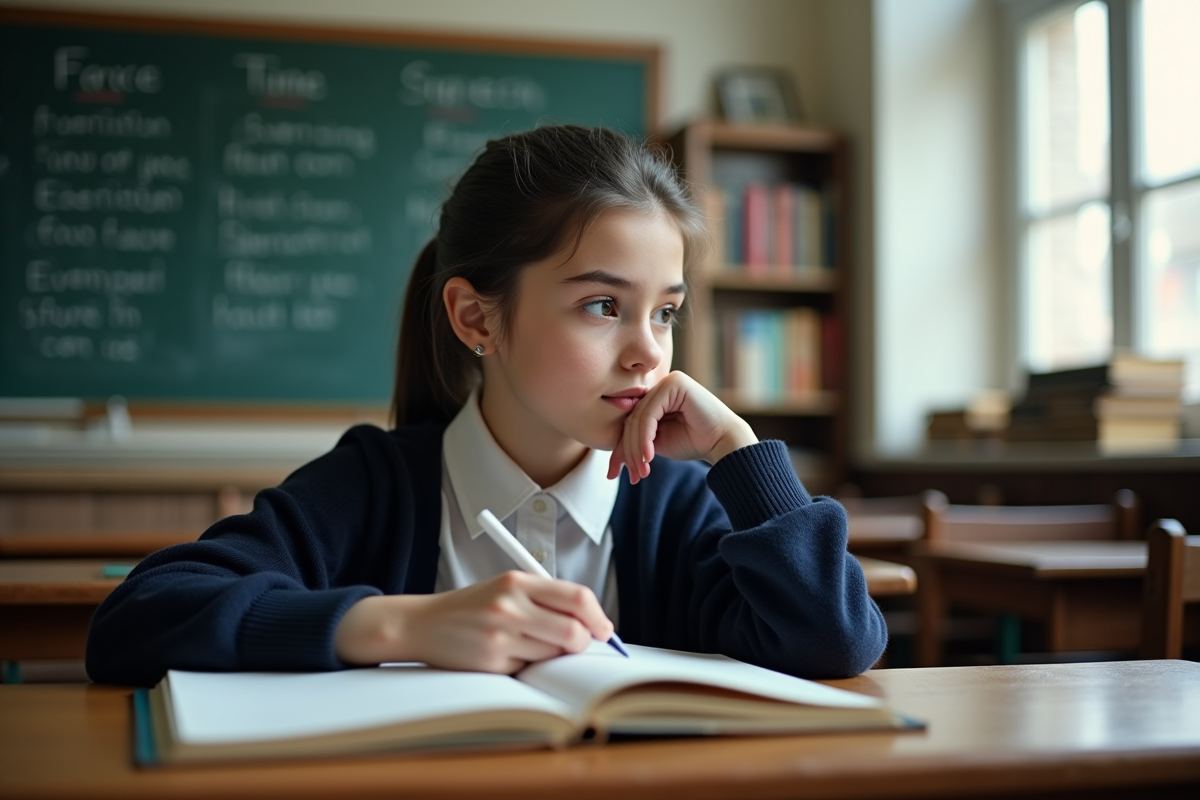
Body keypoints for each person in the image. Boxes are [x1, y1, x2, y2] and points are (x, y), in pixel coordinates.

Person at [86, 125, 887, 687]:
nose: (648, 351)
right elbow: (136, 621)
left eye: (666, 312)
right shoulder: (374, 486)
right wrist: (402, 625)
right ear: (477, 318)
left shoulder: (678, 506)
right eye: (603, 306)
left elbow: (838, 642)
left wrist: (740, 452)